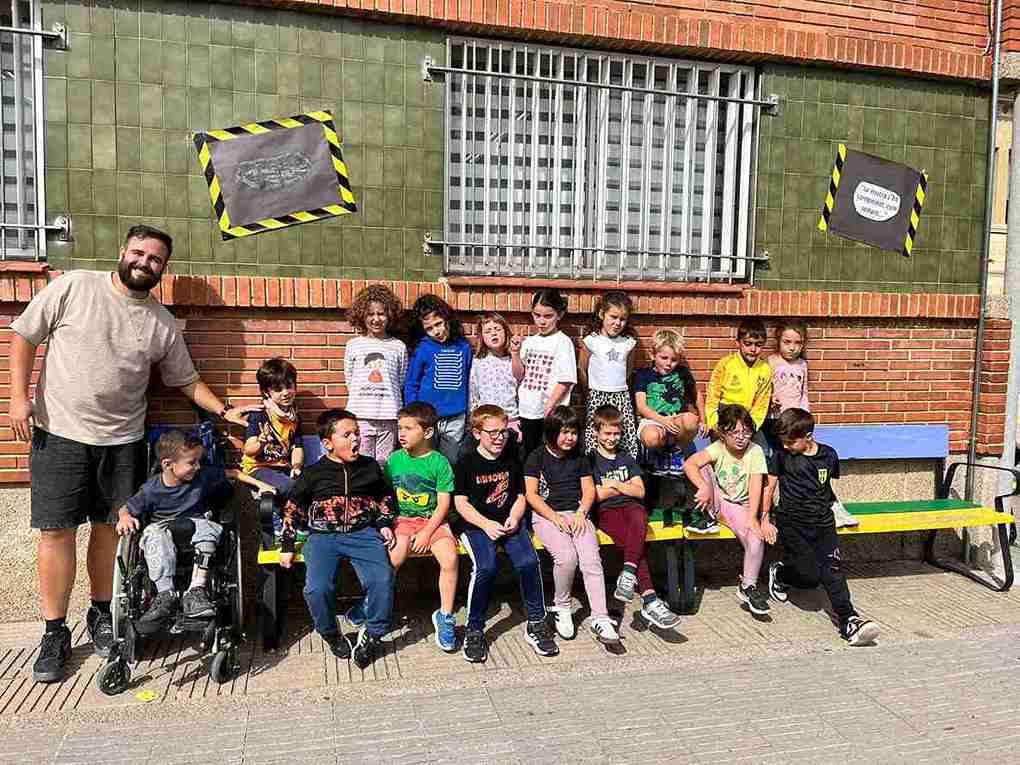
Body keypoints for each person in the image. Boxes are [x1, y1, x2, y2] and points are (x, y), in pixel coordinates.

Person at [7, 224, 246, 684]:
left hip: (123, 441)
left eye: (155, 259)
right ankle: (54, 632)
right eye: (139, 253)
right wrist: (18, 398)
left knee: (110, 531)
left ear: (164, 268)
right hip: (59, 433)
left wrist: (225, 410)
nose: (144, 263)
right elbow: (23, 336)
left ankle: (101, 614)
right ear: (123, 251)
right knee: (56, 532)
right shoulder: (75, 286)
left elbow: (186, 379)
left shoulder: (161, 321)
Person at [116, 430, 276, 633]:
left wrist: (261, 485)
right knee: (153, 534)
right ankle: (165, 595)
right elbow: (126, 508)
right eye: (192, 462)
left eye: (199, 461)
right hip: (164, 529)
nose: (198, 466)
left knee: (209, 528)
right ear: (167, 464)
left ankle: (197, 590)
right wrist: (124, 517)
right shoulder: (151, 489)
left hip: (196, 524)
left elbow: (234, 473)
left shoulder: (202, 477)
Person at [278, 409, 397, 669]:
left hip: (363, 533)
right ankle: (330, 633)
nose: (356, 439)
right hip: (323, 537)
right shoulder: (313, 473)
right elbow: (292, 509)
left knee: (382, 579)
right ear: (327, 443)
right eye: (347, 435)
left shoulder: (370, 467)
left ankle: (373, 635)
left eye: (357, 433)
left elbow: (386, 498)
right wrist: (287, 544)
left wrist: (385, 524)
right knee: (317, 588)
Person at [765, 408, 880, 646]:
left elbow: (825, 487)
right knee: (809, 577)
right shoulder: (781, 456)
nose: (785, 445)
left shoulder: (829, 455)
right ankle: (780, 573)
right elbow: (769, 487)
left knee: (832, 569)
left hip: (823, 523)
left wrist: (837, 510)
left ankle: (849, 621)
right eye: (783, 441)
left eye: (790, 441)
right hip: (792, 522)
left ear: (808, 436)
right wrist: (765, 518)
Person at [454, 404, 556, 662]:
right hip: (477, 525)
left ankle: (536, 622)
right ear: (477, 433)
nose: (499, 438)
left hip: (509, 521)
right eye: (492, 433)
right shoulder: (466, 462)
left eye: (503, 432)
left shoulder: (512, 458)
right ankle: (474, 630)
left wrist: (515, 516)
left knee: (529, 562)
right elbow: (461, 504)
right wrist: (486, 524)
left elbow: (520, 495)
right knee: (486, 567)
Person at [525, 406, 620, 646]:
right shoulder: (537, 456)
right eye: (564, 432)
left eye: (574, 432)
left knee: (591, 559)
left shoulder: (580, 457)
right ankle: (562, 606)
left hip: (577, 513)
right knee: (567, 558)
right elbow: (531, 495)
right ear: (552, 432)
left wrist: (581, 513)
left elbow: (588, 491)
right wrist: (554, 517)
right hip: (546, 516)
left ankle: (601, 617)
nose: (570, 438)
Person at [587, 405, 681, 630]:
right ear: (596, 432)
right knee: (636, 545)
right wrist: (624, 486)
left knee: (639, 513)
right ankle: (650, 600)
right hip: (606, 513)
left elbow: (640, 492)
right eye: (607, 433)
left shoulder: (626, 458)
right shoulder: (590, 460)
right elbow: (596, 495)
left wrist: (615, 485)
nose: (612, 438)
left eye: (616, 433)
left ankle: (630, 575)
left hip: (631, 509)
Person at [381, 402, 459, 652]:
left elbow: (444, 504)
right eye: (399, 428)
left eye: (408, 428)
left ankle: (445, 615)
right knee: (394, 557)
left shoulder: (439, 463)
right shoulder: (394, 460)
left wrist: (426, 532)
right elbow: (386, 497)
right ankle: (376, 606)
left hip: (432, 520)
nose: (401, 433)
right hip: (403, 520)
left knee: (450, 559)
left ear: (427, 432)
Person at [682, 405, 770, 614]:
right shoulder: (718, 447)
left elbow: (756, 485)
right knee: (703, 466)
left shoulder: (755, 451)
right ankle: (709, 516)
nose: (740, 437)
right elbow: (689, 464)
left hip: (741, 507)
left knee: (755, 539)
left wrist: (753, 518)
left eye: (746, 432)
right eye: (734, 432)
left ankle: (748, 586)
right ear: (723, 433)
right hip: (720, 501)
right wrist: (703, 487)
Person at [404, 294, 472, 464]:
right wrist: (413, 414)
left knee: (451, 460)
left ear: (447, 319)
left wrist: (469, 412)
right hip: (427, 418)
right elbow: (412, 383)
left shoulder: (463, 346)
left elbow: (470, 381)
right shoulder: (422, 348)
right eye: (429, 328)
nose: (436, 331)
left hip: (455, 417)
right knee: (424, 459)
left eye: (439, 324)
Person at [241, 357, 304, 540]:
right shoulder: (260, 416)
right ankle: (278, 522)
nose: (285, 392)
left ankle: (296, 521)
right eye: (278, 389)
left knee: (307, 483)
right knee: (288, 486)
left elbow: (297, 447)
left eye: (289, 386)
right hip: (258, 468)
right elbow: (248, 450)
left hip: (282, 467)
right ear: (266, 392)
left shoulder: (294, 417)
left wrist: (297, 466)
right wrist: (261, 441)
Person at [344, 285, 407, 462]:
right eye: (370, 314)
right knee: (362, 461)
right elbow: (350, 379)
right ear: (362, 316)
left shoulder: (398, 346)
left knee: (384, 463)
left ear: (390, 315)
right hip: (361, 415)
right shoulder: (354, 345)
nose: (376, 319)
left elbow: (400, 380)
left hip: (389, 416)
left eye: (381, 314)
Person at [513, 288, 577, 456]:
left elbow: (566, 380)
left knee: (549, 454)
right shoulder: (529, 342)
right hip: (527, 410)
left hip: (550, 413)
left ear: (559, 315)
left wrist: (550, 406)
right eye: (537, 315)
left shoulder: (563, 342)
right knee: (530, 455)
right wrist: (515, 353)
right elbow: (519, 375)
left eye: (548, 316)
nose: (541, 321)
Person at [578, 291, 639, 458]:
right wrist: (588, 393)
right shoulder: (591, 341)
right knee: (595, 435)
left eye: (622, 319)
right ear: (601, 314)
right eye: (613, 317)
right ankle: (594, 468)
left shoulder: (628, 343)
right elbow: (581, 368)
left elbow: (628, 371)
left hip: (621, 396)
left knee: (625, 434)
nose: (617, 323)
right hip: (597, 396)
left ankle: (627, 467)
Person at [634, 329, 702, 469]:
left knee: (691, 420)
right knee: (652, 437)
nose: (669, 363)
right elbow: (641, 406)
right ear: (653, 355)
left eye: (674, 360)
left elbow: (697, 394)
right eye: (664, 358)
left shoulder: (682, 373)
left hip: (676, 419)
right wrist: (662, 420)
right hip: (653, 420)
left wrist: (704, 419)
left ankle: (677, 452)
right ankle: (658, 455)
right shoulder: (643, 375)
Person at [705, 318, 773, 448]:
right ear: (738, 343)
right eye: (748, 344)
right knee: (724, 450)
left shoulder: (765, 369)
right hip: (725, 414)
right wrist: (714, 423)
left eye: (758, 344)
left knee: (764, 452)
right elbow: (712, 396)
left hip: (747, 417)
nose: (753, 349)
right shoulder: (725, 364)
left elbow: (762, 404)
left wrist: (751, 427)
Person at [468, 312, 521, 441]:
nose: (493, 333)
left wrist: (515, 354)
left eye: (497, 329)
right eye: (488, 331)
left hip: (510, 420)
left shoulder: (513, 360)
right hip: (487, 424)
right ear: (482, 337)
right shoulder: (478, 362)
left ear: (506, 332)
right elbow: (473, 392)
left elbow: (519, 377)